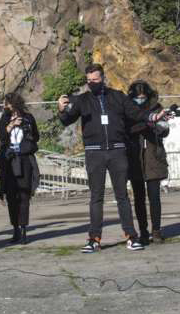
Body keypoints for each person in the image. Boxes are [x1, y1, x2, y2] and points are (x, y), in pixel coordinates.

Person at [57, 64, 166, 253]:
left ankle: (131, 237)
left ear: (103, 78)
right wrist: (62, 110)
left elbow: (136, 113)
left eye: (96, 80)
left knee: (122, 196)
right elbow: (67, 120)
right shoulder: (83, 100)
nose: (92, 84)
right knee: (96, 198)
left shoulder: (117, 96)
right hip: (94, 153)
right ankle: (94, 239)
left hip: (117, 151)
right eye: (89, 81)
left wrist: (153, 116)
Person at [125, 80, 170, 245]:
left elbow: (164, 131)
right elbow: (126, 130)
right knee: (138, 198)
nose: (140, 100)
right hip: (135, 158)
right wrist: (145, 124)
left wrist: (158, 125)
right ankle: (143, 230)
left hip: (153, 157)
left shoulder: (157, 107)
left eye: (143, 97)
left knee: (154, 197)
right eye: (137, 97)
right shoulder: (128, 109)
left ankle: (156, 230)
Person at [0, 93, 39, 244]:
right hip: (10, 161)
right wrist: (11, 125)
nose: (4, 106)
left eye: (6, 103)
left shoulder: (28, 118)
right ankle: (15, 230)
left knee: (24, 196)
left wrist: (25, 128)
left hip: (25, 160)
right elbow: (1, 137)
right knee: (12, 197)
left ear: (13, 104)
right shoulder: (5, 118)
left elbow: (36, 137)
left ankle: (24, 229)